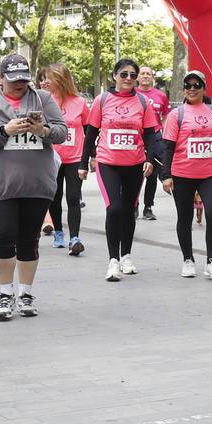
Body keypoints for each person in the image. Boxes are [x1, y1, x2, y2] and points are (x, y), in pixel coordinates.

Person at [0, 54, 68, 320]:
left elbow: (62, 131)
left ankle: (25, 293)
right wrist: (3, 131)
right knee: (3, 237)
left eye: (24, 79)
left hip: (36, 182)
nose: (19, 85)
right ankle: (4, 292)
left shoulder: (43, 99)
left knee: (28, 240)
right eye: (13, 80)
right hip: (0, 183)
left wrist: (42, 130)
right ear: (1, 79)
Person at [83, 58, 162, 280]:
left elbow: (149, 134)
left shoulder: (144, 102)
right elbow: (91, 134)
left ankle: (126, 255)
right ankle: (113, 260)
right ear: (115, 76)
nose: (128, 79)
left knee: (129, 210)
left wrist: (149, 159)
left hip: (135, 164)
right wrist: (84, 163)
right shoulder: (102, 100)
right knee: (114, 209)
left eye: (132, 75)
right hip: (108, 162)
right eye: (124, 74)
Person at [160, 69, 212, 280]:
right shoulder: (177, 114)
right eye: (188, 86)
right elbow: (168, 147)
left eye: (196, 85)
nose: (192, 89)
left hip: (209, 174)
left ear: (203, 88)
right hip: (182, 173)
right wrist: (166, 175)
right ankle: (188, 259)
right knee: (185, 217)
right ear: (184, 89)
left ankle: (211, 262)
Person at [41, 63, 89, 256]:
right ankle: (59, 232)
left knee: (73, 197)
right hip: (52, 157)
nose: (45, 82)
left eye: (49, 78)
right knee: (55, 196)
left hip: (75, 158)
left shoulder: (79, 102)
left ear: (60, 79)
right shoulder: (44, 101)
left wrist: (89, 158)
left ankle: (75, 237)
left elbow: (88, 130)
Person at [135, 64, 170, 220]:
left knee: (152, 172)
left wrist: (165, 135)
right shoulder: (132, 93)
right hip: (136, 136)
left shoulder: (160, 95)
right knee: (135, 173)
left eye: (148, 73)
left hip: (155, 136)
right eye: (142, 73)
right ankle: (133, 205)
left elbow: (166, 117)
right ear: (138, 77)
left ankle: (148, 207)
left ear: (152, 77)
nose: (146, 76)